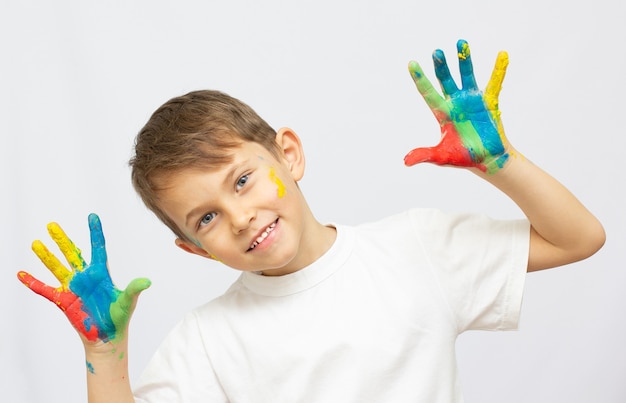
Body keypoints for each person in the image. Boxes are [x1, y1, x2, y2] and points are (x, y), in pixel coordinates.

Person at [17, 40, 605, 402]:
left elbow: (579, 238)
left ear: (289, 154)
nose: (242, 217)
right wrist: (106, 352)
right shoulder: (207, 340)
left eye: (243, 180)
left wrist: (499, 165)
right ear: (194, 249)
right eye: (208, 218)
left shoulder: (416, 248)